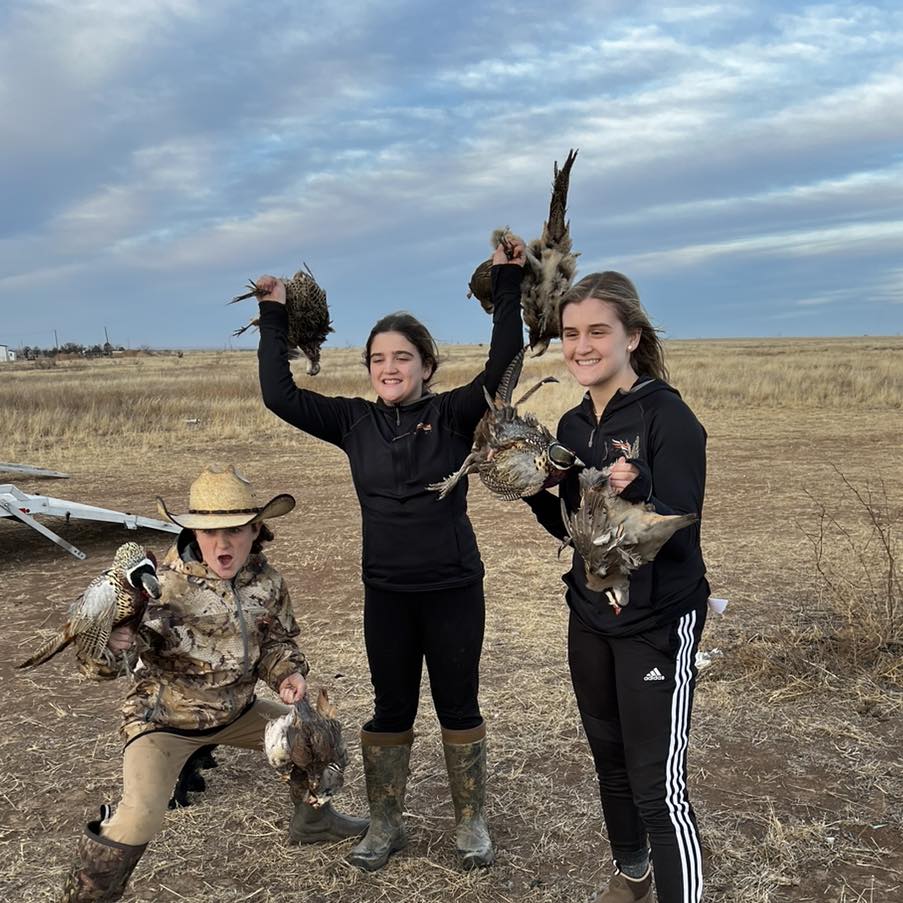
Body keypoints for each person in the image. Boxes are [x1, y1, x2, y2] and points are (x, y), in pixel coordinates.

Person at [254, 241, 526, 871]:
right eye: (378, 358)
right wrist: (273, 316)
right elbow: (279, 394)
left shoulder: (457, 413)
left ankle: (471, 823)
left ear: (427, 365)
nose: (389, 366)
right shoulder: (352, 423)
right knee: (390, 705)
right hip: (388, 593)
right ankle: (384, 825)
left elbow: (505, 362)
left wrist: (508, 281)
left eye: (402, 356)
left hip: (454, 586)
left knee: (459, 704)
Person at [61, 464, 367, 902]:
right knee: (140, 818)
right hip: (164, 722)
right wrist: (112, 644)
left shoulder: (266, 582)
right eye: (208, 531)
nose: (221, 543)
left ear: (256, 529)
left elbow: (277, 642)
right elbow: (100, 668)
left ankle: (314, 821)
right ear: (191, 532)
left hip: (236, 712)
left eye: (235, 530)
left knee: (316, 738)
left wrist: (288, 674)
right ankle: (83, 898)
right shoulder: (156, 586)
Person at [523, 273, 709, 903]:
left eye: (597, 331)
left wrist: (640, 492)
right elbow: (576, 530)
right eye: (571, 333)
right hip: (589, 614)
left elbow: (679, 529)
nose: (581, 346)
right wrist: (535, 493)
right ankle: (633, 876)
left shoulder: (668, 417)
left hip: (657, 621)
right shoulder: (573, 425)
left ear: (631, 336)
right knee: (610, 761)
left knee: (658, 785)